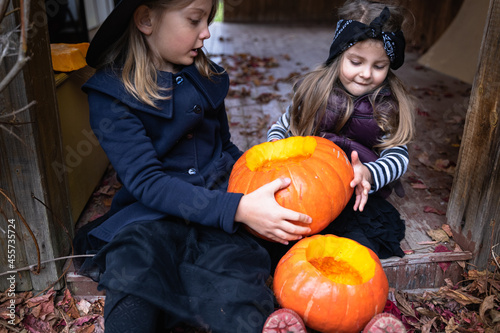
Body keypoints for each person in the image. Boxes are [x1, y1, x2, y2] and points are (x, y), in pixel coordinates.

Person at [73, 0, 313, 332]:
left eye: (208, 20)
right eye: (194, 21)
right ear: (146, 19)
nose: (207, 33)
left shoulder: (204, 76)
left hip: (216, 203)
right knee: (134, 266)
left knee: (235, 276)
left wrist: (258, 181)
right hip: (154, 212)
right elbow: (148, 182)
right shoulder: (113, 94)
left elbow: (224, 147)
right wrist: (237, 208)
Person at [265, 0, 415, 267]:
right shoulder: (313, 92)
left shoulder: (387, 106)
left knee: (352, 252)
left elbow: (398, 157)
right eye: (356, 62)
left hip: (357, 199)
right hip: (307, 189)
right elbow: (282, 127)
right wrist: (277, 153)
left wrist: (369, 174)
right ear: (339, 54)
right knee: (280, 239)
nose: (366, 74)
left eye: (379, 66)